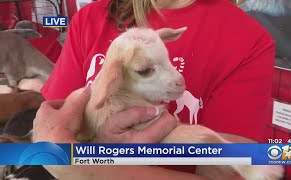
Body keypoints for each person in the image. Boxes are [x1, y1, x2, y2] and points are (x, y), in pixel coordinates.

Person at [36, 0, 276, 179]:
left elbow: (227, 171)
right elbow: (49, 129)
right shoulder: (89, 19)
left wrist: (87, 168)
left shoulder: (246, 39)